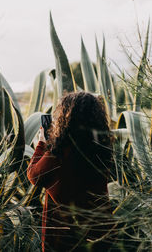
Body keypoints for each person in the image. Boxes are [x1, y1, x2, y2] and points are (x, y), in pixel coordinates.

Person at [27, 92, 114, 252]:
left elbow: (34, 176)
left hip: (66, 241)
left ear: (64, 120)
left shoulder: (59, 154)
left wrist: (42, 144)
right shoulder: (102, 150)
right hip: (100, 234)